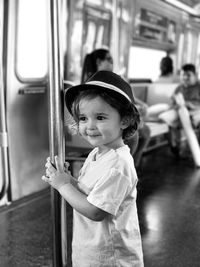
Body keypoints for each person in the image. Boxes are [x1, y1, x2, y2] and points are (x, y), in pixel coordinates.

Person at [42, 71, 144, 267]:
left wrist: (63, 186)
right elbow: (88, 192)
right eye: (83, 118)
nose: (90, 126)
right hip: (91, 249)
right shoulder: (97, 153)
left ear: (124, 120)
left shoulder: (119, 164)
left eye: (100, 117)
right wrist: (66, 179)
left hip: (110, 257)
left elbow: (96, 211)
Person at [81, 48, 150, 167]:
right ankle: (127, 166)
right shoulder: (91, 84)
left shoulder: (115, 80)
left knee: (145, 131)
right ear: (99, 62)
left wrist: (139, 107)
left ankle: (133, 166)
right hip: (103, 119)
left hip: (113, 117)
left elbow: (128, 99)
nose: (112, 63)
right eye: (109, 60)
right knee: (133, 136)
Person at [159, 63, 200, 155]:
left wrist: (189, 104)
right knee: (165, 120)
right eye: (183, 75)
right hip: (180, 113)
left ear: (195, 75)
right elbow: (172, 102)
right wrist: (175, 104)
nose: (185, 77)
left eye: (188, 75)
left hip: (196, 113)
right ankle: (174, 147)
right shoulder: (179, 88)